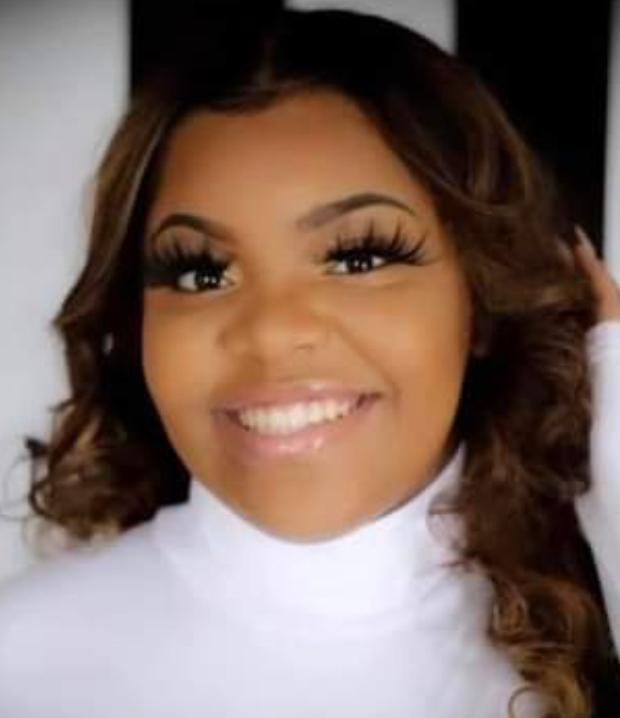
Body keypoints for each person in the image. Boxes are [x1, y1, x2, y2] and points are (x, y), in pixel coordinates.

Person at [0, 6, 619, 718]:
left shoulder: (597, 631)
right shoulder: (21, 658)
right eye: (202, 272)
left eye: (358, 258)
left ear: (480, 302)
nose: (271, 332)